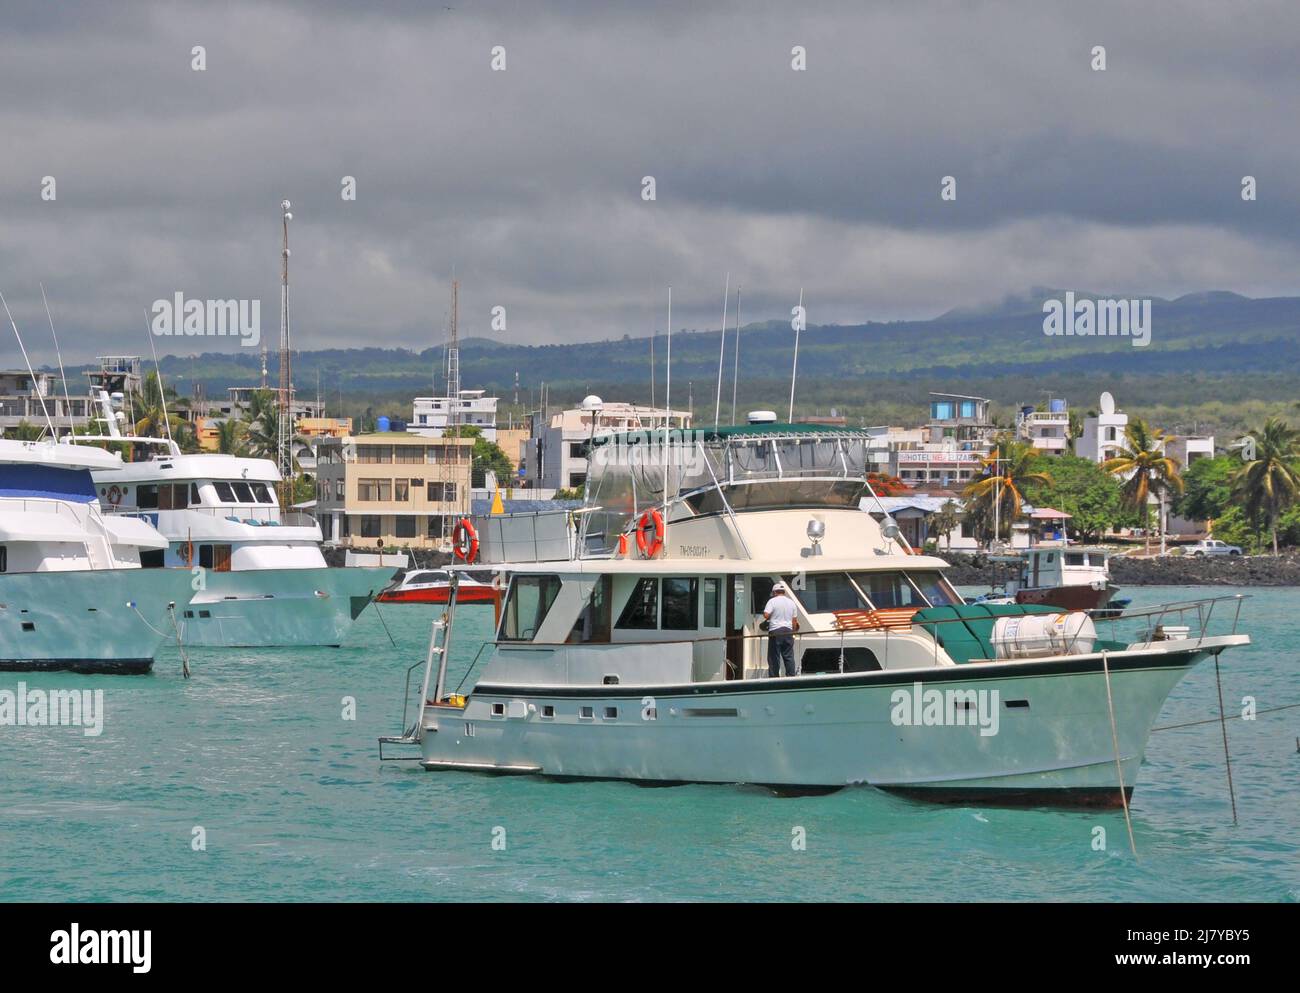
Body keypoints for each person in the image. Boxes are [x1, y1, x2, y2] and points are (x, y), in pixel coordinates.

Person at [762, 581, 799, 677]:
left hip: (775, 631)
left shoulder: (772, 601)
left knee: (774, 657)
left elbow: (766, 615)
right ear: (784, 592)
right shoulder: (792, 603)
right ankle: (791, 677)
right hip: (788, 631)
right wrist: (793, 632)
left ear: (774, 592)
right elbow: (794, 621)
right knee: (789, 657)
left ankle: (774, 678)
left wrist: (772, 615)